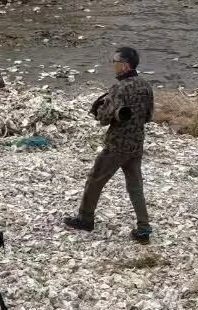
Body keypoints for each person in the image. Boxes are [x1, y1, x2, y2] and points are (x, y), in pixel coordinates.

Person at [65, 46, 155, 242]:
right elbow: (148, 116)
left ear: (125, 66)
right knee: (135, 186)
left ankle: (85, 219)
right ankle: (143, 228)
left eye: (115, 62)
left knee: (95, 179)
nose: (113, 65)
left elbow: (104, 119)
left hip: (116, 145)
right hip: (137, 143)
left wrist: (100, 111)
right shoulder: (146, 86)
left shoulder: (119, 89)